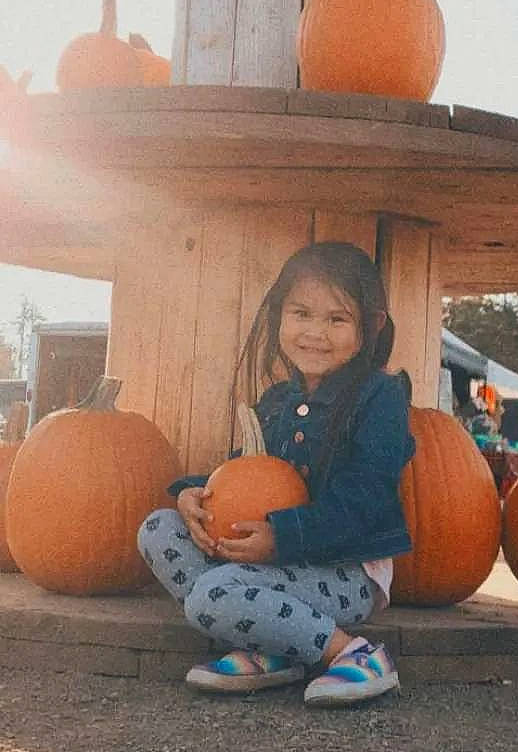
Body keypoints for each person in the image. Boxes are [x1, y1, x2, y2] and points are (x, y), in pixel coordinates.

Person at [138, 242, 415, 708]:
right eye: (301, 313)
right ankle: (273, 649)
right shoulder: (277, 402)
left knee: (211, 595)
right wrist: (195, 495)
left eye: (337, 319)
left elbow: (365, 498)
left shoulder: (379, 398)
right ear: (279, 315)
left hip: (343, 573)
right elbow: (244, 475)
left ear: (373, 326)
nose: (315, 333)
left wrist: (283, 537)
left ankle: (353, 653)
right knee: (156, 529)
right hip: (274, 565)